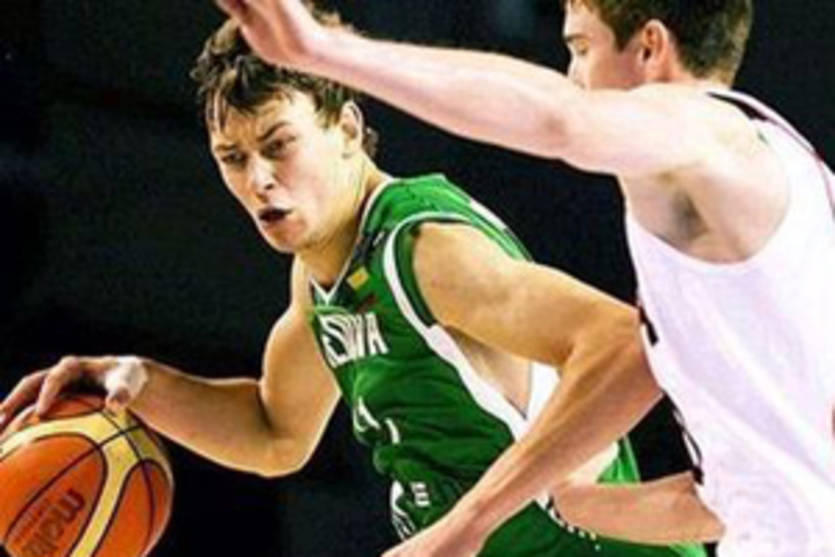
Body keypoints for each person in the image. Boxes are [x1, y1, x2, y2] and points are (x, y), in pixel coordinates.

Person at [0, 10, 706, 557]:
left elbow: (623, 344)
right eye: (232, 158)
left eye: (278, 145)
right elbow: (275, 431)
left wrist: (464, 524)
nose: (259, 179)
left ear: (345, 128)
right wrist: (138, 380)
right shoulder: (320, 277)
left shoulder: (422, 248)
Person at [210, 1, 835, 556]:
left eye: (581, 49)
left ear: (649, 47)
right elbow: (731, 499)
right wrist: (570, 501)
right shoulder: (769, 181)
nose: (573, 77)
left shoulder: (711, 138)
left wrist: (324, 51)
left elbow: (561, 120)